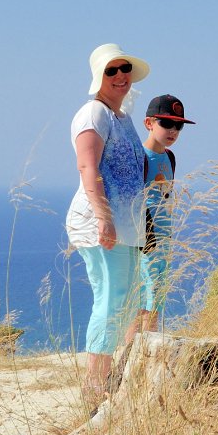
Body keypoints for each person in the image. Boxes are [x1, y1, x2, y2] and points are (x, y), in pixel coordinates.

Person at [65, 43, 150, 409]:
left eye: (124, 68)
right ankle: (94, 384)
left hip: (125, 225)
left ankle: (107, 376)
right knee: (111, 298)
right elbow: (88, 166)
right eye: (111, 70)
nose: (120, 76)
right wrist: (103, 217)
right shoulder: (93, 113)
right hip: (100, 222)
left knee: (125, 301)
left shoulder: (122, 117)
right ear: (98, 76)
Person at [124, 94, 195, 341]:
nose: (173, 130)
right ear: (149, 123)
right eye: (166, 123)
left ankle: (147, 351)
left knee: (156, 297)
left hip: (164, 238)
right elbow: (133, 200)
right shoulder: (140, 157)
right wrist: (146, 236)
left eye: (179, 125)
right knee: (143, 299)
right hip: (145, 239)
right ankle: (132, 353)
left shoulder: (169, 157)